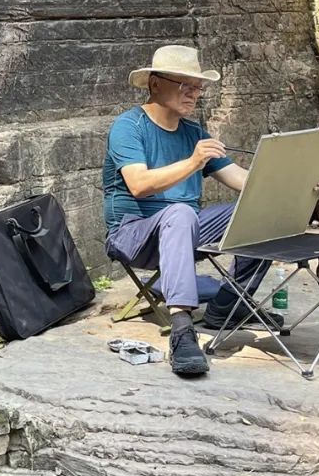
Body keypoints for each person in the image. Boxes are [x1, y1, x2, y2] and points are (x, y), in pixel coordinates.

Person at [102, 46, 271, 379]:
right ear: (154, 84)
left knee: (261, 208)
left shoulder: (194, 132)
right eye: (184, 84)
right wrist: (193, 162)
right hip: (133, 234)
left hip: (185, 230)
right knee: (180, 212)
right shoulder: (128, 126)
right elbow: (139, 185)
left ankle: (228, 307)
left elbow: (242, 179)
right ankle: (181, 331)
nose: (193, 93)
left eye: (197, 86)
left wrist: (291, 184)